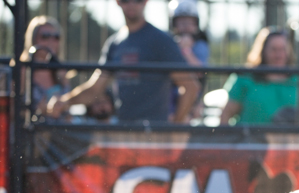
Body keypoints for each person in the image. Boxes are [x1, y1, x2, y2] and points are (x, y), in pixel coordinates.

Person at [47, 0, 200, 124]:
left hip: (154, 134)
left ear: (145, 2)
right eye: (126, 0)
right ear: (118, 2)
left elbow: (191, 86)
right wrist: (64, 102)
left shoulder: (161, 40)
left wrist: (174, 127)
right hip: (124, 131)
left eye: (137, 0)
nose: (132, 4)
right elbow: (95, 89)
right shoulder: (114, 44)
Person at [219, 27, 299, 125]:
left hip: (293, 141)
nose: (278, 55)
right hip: (252, 140)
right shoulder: (246, 79)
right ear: (263, 51)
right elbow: (226, 115)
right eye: (273, 49)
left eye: (282, 49)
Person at [21, 16, 69, 117]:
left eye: (56, 36)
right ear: (33, 39)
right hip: (32, 128)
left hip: (59, 128)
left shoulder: (60, 70)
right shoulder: (23, 69)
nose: (51, 41)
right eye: (45, 36)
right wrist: (39, 110)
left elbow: (67, 107)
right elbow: (12, 110)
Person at [170, 0, 209, 121]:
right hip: (170, 98)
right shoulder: (169, 43)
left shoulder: (200, 44)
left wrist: (186, 50)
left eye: (189, 22)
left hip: (191, 101)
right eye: (181, 22)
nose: (185, 26)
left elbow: (199, 71)